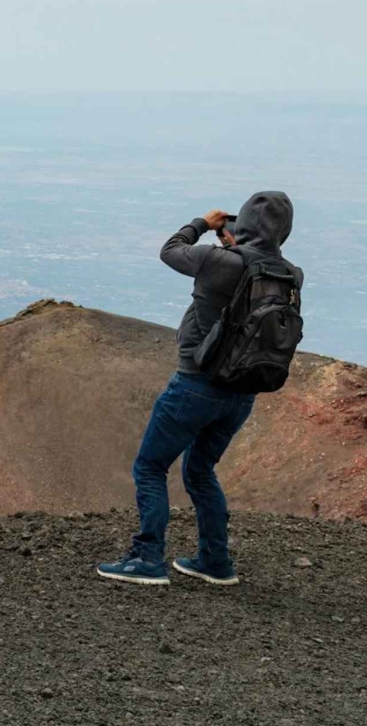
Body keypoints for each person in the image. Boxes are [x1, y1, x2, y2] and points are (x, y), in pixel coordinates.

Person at [97, 191, 301, 587]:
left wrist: (203, 224)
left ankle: (147, 559)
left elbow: (171, 250)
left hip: (196, 385)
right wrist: (235, 245)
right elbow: (250, 272)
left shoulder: (214, 260)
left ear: (243, 223)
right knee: (201, 470)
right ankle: (214, 561)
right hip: (242, 393)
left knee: (151, 467)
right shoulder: (292, 273)